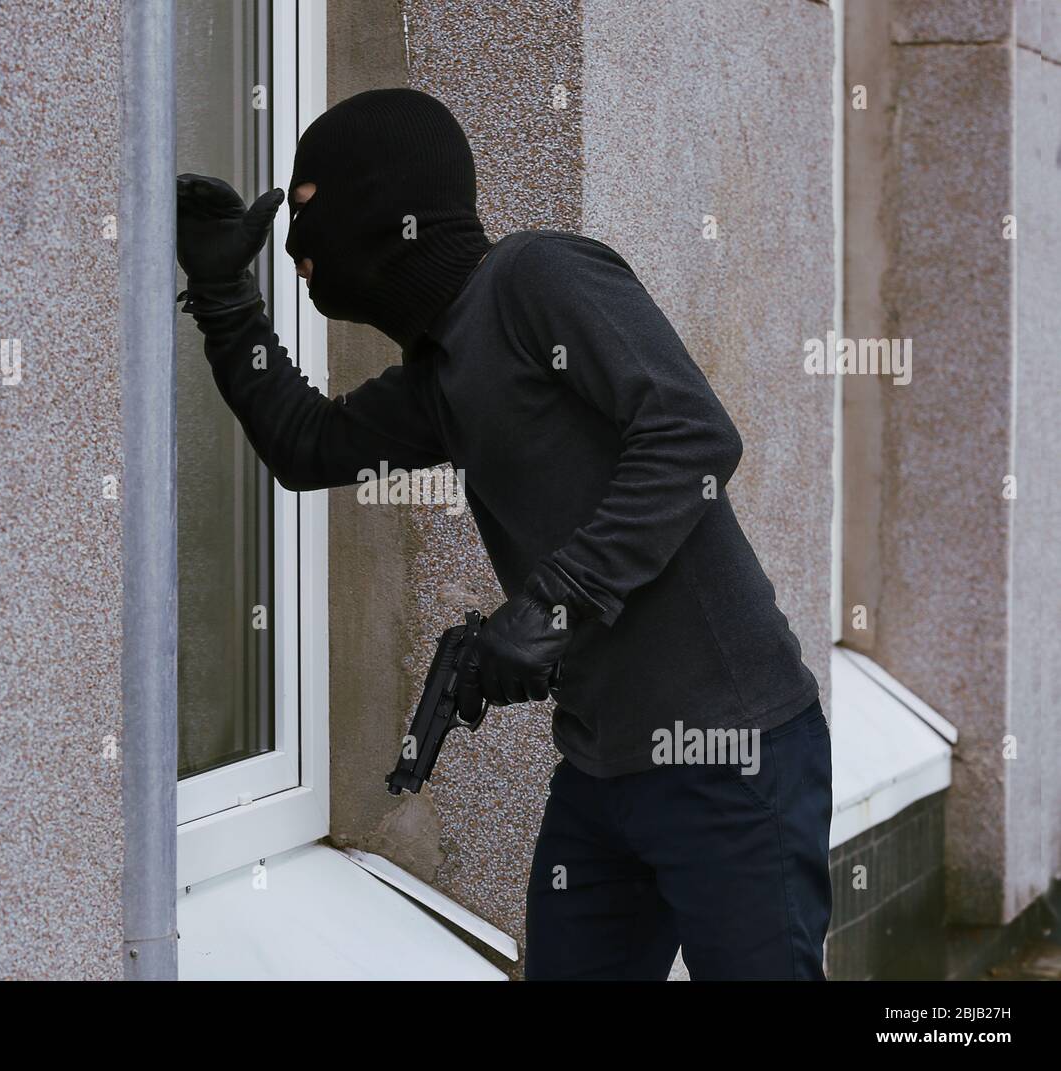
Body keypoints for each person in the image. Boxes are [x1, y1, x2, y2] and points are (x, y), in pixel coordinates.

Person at [176, 88, 832, 980]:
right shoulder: (439, 371)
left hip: (730, 751)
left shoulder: (536, 277)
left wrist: (553, 602)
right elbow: (308, 445)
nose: (295, 250)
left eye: (310, 216)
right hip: (601, 771)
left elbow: (693, 437)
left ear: (387, 212)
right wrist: (224, 299)